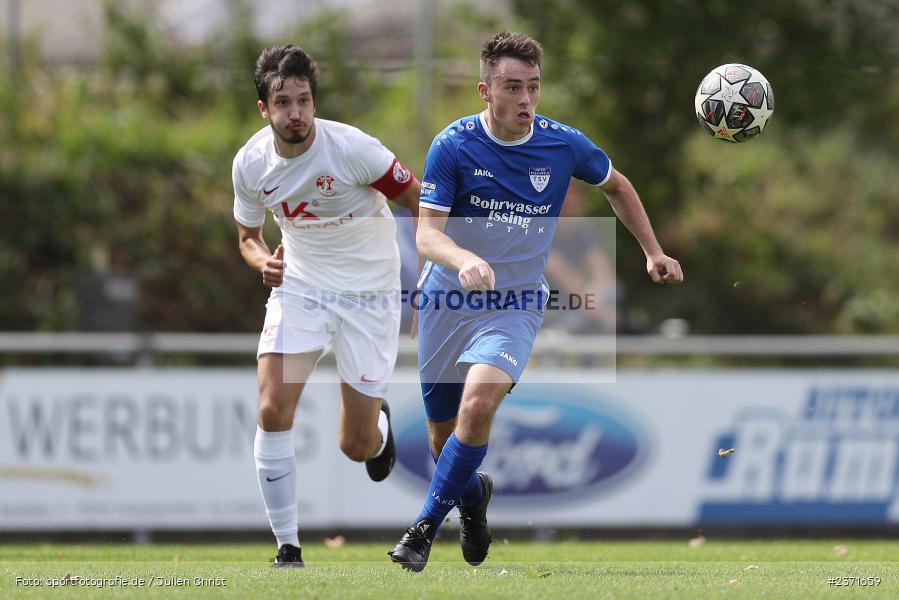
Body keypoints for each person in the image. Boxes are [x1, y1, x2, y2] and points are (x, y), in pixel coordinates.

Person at [388, 32, 682, 572]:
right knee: (441, 443)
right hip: (446, 302)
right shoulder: (452, 145)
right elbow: (426, 235)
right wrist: (463, 259)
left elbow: (617, 185)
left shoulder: (562, 144)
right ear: (485, 90)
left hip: (515, 305)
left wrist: (652, 251)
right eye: (512, 87)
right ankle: (472, 498)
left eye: (533, 87)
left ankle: (421, 530)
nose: (526, 99)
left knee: (478, 406)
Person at [232, 44, 421, 568]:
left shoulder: (353, 150)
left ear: (314, 101)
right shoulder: (250, 164)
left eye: (304, 101)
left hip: (369, 294)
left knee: (355, 445)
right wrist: (262, 263)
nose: (296, 113)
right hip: (302, 287)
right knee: (272, 408)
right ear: (264, 109)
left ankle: (378, 431)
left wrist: (432, 270)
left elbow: (418, 200)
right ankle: (287, 549)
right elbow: (248, 236)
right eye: (283, 103)